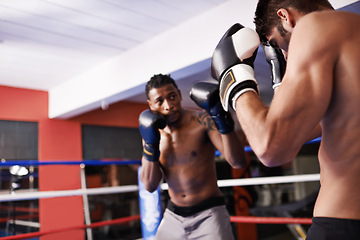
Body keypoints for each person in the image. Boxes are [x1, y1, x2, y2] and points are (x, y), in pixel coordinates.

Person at [210, 0, 360, 239]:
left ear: (285, 16)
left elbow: (271, 149)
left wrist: (234, 80)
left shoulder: (314, 25)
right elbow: (303, 128)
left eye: (280, 45)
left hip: (345, 225)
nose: (286, 55)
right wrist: (280, 80)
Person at [138, 74, 247, 240]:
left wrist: (223, 121)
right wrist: (150, 146)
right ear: (150, 105)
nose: (168, 105)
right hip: (173, 215)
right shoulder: (151, 133)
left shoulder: (202, 120)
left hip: (209, 214)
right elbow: (150, 186)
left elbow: (238, 162)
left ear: (180, 95)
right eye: (160, 101)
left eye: (172, 97)